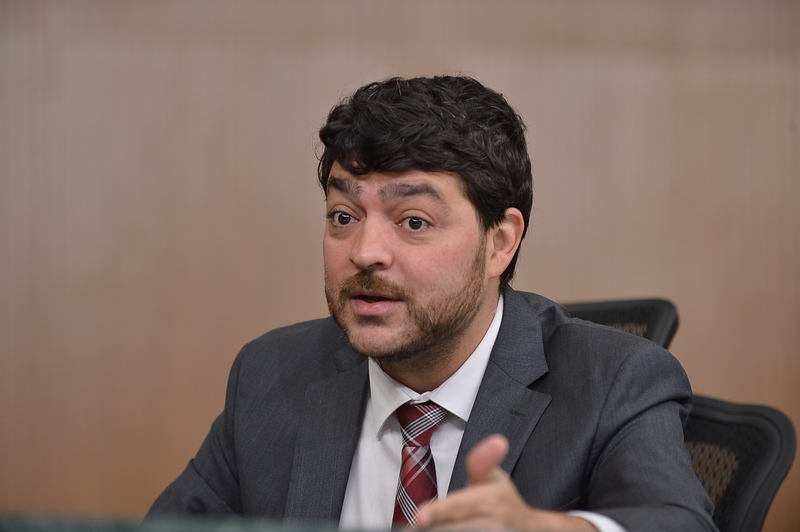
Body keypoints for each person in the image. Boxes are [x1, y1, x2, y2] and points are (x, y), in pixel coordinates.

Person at [146, 76, 717, 532]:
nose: (365, 252)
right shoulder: (273, 374)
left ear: (500, 242)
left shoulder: (613, 379)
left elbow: (677, 522)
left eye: (413, 221)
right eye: (343, 217)